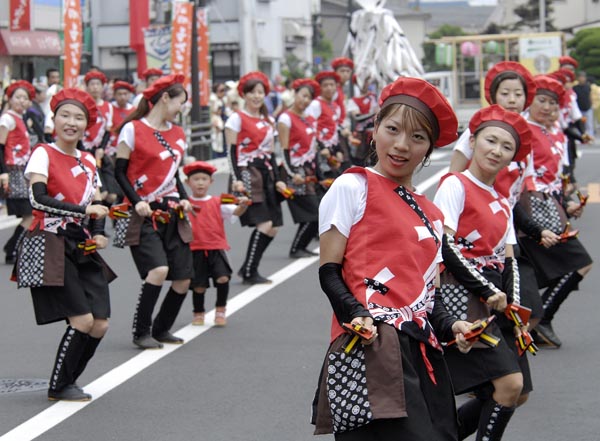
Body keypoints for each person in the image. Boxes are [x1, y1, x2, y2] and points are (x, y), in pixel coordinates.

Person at [312, 77, 473, 440]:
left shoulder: (431, 213)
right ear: (375, 130)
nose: (401, 145)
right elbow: (329, 272)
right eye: (393, 129)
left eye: (417, 138)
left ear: (429, 150)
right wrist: (356, 315)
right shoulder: (353, 186)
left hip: (421, 348)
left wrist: (452, 326)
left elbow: (425, 296)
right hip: (371, 344)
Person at [434, 105, 534, 441]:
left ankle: (440, 435)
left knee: (518, 394)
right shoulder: (455, 185)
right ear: (473, 141)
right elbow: (445, 248)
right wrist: (486, 291)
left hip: (497, 301)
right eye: (490, 140)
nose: (497, 150)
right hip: (464, 297)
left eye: (507, 147)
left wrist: (515, 306)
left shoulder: (503, 201)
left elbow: (510, 260)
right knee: (509, 384)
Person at [17, 88, 115, 401]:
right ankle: (59, 385)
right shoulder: (43, 152)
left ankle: (69, 380)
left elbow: (97, 202)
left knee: (100, 324)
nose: (71, 122)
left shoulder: (88, 160)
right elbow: (38, 198)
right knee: (82, 320)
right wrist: (84, 212)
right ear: (54, 119)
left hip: (81, 244)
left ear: (87, 125)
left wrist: (98, 230)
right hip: (49, 242)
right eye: (65, 115)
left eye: (78, 117)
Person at [115, 73, 194, 349]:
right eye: (180, 102)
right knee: (159, 270)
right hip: (143, 211)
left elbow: (174, 175)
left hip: (172, 210)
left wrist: (183, 198)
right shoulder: (133, 129)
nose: (182, 108)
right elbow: (119, 172)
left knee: (184, 278)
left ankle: (162, 328)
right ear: (164, 98)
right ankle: (141, 331)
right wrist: (136, 200)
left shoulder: (179, 134)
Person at [519, 76, 593, 347]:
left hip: (553, 209)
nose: (548, 107)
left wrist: (569, 202)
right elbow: (524, 175)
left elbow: (560, 177)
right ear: (531, 101)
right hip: (530, 211)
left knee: (572, 265)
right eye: (542, 100)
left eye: (553, 102)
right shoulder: (522, 129)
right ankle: (540, 319)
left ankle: (539, 319)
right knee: (578, 262)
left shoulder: (558, 135)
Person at [224, 71, 288, 285]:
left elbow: (271, 153)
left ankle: (249, 268)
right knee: (264, 223)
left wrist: (278, 178)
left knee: (274, 226)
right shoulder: (236, 118)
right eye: (252, 92)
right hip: (247, 173)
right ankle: (250, 270)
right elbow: (231, 152)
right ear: (244, 94)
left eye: (260, 92)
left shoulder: (269, 120)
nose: (256, 96)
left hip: (267, 174)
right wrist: (236, 179)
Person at [183, 161, 250, 327]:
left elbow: (235, 212)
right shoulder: (184, 204)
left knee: (222, 278)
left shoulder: (217, 201)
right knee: (198, 285)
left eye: (204, 179)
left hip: (217, 247)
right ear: (187, 182)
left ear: (211, 182)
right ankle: (198, 313)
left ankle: (221, 310)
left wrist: (243, 205)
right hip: (195, 249)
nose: (200, 182)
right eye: (196, 179)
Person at [277, 78, 320, 258]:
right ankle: (296, 248)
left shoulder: (310, 119)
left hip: (309, 170)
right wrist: (292, 172)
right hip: (294, 171)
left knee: (315, 213)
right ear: (295, 94)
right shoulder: (286, 118)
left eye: (309, 98)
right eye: (302, 95)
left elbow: (314, 146)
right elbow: (283, 148)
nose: (305, 100)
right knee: (313, 212)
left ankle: (299, 247)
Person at [0, 80, 35, 264]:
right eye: (18, 97)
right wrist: (3, 171)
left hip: (23, 170)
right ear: (10, 98)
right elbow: (0, 145)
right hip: (13, 171)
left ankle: (12, 247)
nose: (22, 101)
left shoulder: (21, 117)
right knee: (29, 214)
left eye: (25, 98)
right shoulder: (7, 118)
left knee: (30, 213)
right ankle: (12, 248)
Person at [83, 70, 118, 204]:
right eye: (92, 84)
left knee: (112, 195)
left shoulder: (108, 106)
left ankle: (104, 219)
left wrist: (102, 148)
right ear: (87, 86)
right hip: (86, 150)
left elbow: (108, 130)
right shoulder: (83, 104)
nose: (95, 87)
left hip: (103, 151)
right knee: (99, 193)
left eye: (98, 84)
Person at [306, 71, 345, 180]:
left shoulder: (335, 106)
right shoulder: (315, 104)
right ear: (320, 88)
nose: (329, 88)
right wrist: (322, 147)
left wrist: (338, 150)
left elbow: (335, 129)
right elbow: (310, 128)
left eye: (332, 85)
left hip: (332, 149)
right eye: (325, 85)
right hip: (320, 150)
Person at [572, 71, 594, 138]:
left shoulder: (588, 87)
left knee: (589, 124)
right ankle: (581, 136)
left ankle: (590, 136)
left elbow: (590, 96)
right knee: (580, 124)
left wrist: (592, 104)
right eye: (580, 77)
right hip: (579, 108)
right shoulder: (575, 88)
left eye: (583, 77)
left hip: (587, 107)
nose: (582, 78)